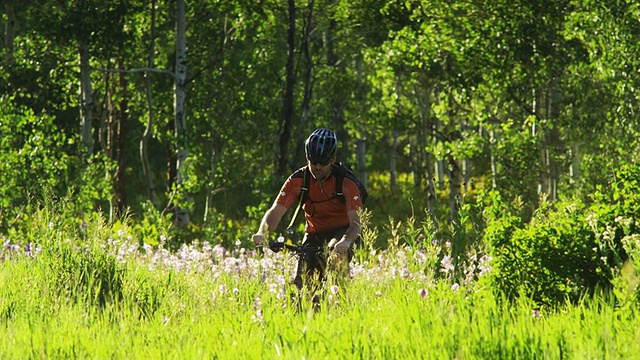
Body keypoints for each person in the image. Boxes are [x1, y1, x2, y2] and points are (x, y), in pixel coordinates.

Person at [252, 128, 363, 295]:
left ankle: (342, 304)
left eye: (323, 163)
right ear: (307, 158)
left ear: (332, 160)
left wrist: (346, 242)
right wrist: (263, 232)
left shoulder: (346, 182)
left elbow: (356, 222)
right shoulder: (298, 181)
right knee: (304, 286)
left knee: (336, 257)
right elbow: (276, 211)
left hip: (344, 232)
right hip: (315, 232)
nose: (317, 167)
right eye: (313, 162)